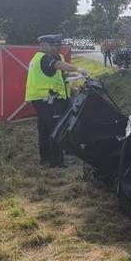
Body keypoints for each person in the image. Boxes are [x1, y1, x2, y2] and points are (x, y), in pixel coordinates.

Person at [25, 34, 80, 167]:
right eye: (53, 46)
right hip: (47, 100)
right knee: (56, 129)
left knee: (44, 129)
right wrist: (78, 69)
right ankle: (56, 162)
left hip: (44, 99)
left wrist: (70, 77)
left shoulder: (41, 58)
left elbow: (57, 75)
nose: (57, 48)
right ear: (44, 45)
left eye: (58, 46)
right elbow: (58, 65)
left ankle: (45, 158)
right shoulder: (44, 58)